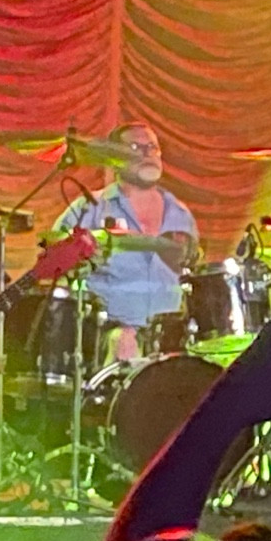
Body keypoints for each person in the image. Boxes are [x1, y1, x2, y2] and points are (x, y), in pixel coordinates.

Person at [52, 121, 198, 362]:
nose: (146, 153)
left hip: (170, 341)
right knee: (122, 343)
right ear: (113, 158)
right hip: (105, 340)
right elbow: (53, 262)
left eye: (153, 147)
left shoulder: (181, 215)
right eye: (134, 147)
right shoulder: (89, 209)